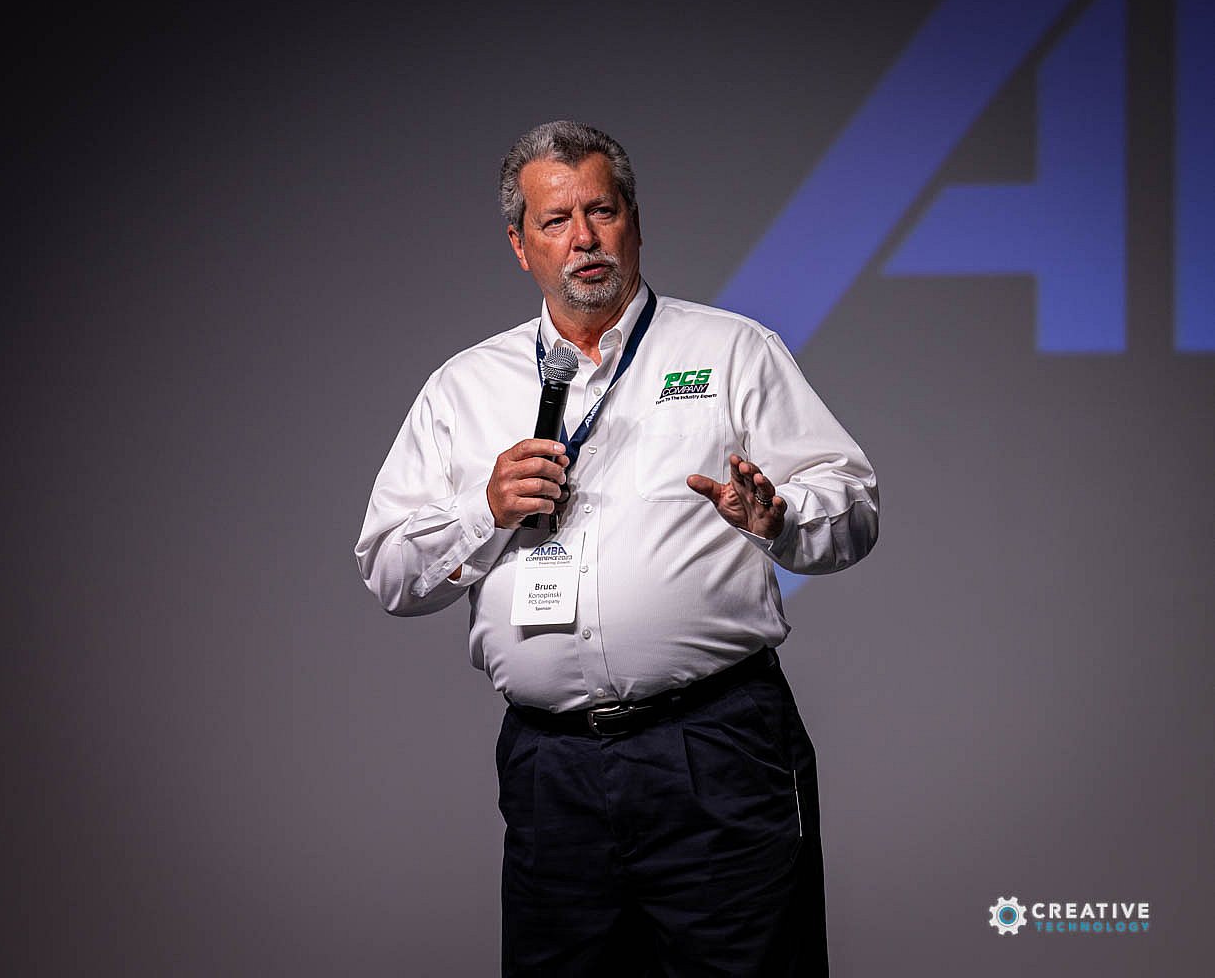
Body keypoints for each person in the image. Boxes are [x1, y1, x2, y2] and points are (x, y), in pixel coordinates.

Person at [356, 120, 878, 977]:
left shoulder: (730, 350)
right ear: (520, 245)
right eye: (556, 220)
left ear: (635, 220)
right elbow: (389, 571)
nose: (585, 239)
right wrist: (484, 512)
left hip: (714, 749)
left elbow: (854, 508)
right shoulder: (463, 388)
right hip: (551, 769)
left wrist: (779, 518)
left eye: (602, 211)